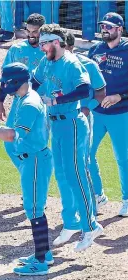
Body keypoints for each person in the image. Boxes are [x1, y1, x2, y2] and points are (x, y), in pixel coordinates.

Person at [0, 62, 53, 275]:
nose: (5, 86)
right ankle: (44, 253)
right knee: (34, 206)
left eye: (7, 82)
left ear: (16, 81)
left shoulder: (29, 104)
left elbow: (12, 135)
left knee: (34, 209)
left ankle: (41, 262)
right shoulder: (22, 98)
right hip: (31, 159)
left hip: (35, 160)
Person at [32, 24, 103, 252]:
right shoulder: (47, 61)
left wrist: (55, 101)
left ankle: (90, 226)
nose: (41, 47)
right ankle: (73, 224)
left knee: (76, 175)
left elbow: (85, 90)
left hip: (72, 123)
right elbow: (35, 82)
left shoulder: (71, 62)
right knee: (62, 174)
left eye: (44, 43)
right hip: (56, 125)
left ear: (56, 42)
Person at [88, 12, 128, 217]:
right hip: (96, 113)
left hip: (121, 114)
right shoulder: (95, 50)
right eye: (103, 26)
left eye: (110, 27)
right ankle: (98, 195)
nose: (105, 30)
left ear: (120, 29)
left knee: (123, 159)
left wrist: (119, 96)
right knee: (86, 154)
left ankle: (127, 199)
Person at [63, 31, 107, 220]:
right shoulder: (51, 63)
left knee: (83, 161)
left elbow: (101, 94)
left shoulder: (89, 65)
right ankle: (79, 203)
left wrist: (87, 109)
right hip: (60, 120)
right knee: (68, 164)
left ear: (71, 47)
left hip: (82, 119)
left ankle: (92, 206)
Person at [0, 13, 46, 171]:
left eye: (35, 31)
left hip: (44, 103)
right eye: (28, 31)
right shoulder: (16, 49)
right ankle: (28, 174)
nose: (31, 35)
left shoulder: (49, 49)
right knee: (10, 142)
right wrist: (0, 102)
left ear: (42, 31)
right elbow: (6, 77)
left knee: (36, 144)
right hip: (20, 102)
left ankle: (35, 180)